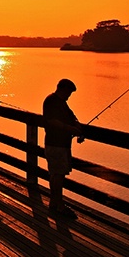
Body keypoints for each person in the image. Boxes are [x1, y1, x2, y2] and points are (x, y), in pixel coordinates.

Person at [42, 78, 84, 219]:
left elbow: (72, 117)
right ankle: (59, 205)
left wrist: (77, 125)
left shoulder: (62, 103)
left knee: (55, 174)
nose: (69, 95)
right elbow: (52, 121)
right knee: (58, 174)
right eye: (69, 92)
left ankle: (54, 203)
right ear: (63, 89)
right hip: (56, 145)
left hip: (60, 144)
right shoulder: (51, 101)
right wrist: (70, 128)